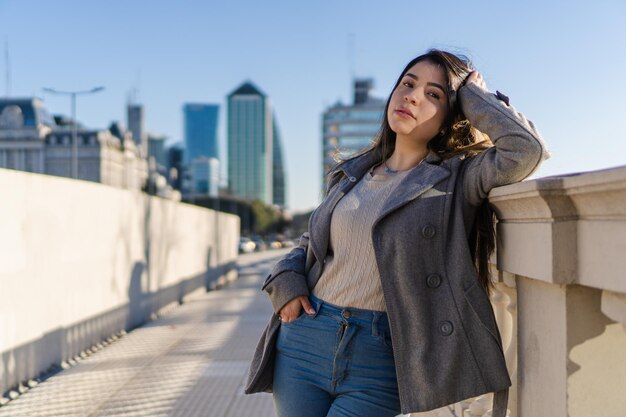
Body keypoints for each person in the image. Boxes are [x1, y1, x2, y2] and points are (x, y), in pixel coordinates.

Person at [245, 49, 550, 417]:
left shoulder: (457, 179)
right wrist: (285, 283)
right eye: (407, 84)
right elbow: (312, 243)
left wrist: (473, 95)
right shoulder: (349, 174)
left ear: (452, 116)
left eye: (434, 94)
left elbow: (526, 150)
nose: (412, 96)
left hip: (381, 356)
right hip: (305, 340)